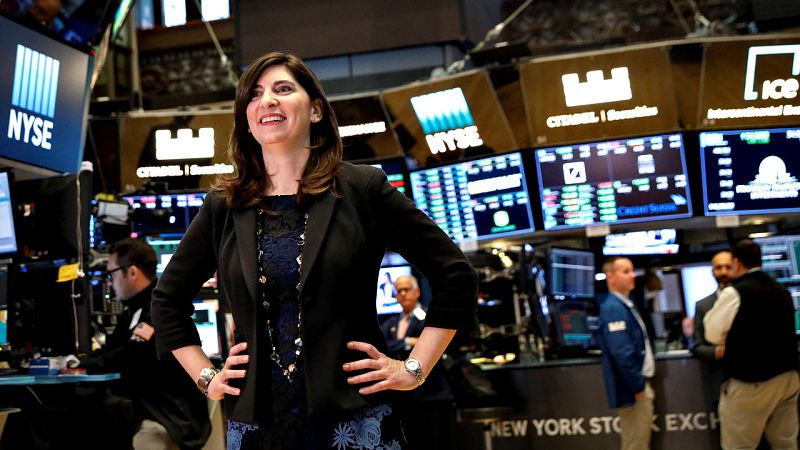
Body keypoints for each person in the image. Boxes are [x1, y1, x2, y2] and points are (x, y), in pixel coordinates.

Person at [151, 51, 478, 450]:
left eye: (283, 89)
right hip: (259, 428)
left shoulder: (362, 189)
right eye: (253, 94)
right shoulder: (224, 205)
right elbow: (167, 300)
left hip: (355, 422)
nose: (267, 100)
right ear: (246, 120)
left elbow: (456, 275)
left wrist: (415, 367)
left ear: (317, 110)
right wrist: (207, 377)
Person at [79, 238, 210, 450]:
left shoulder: (157, 310)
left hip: (171, 412)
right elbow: (112, 352)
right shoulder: (131, 311)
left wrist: (82, 364)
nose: (109, 282)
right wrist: (81, 362)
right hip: (146, 403)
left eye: (111, 274)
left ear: (131, 272)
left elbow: (129, 356)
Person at [704, 239, 799, 450]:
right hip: (788, 378)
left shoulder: (735, 292)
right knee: (785, 443)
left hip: (752, 380)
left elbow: (712, 333)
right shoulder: (781, 290)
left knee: (739, 445)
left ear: (736, 262)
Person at [380, 275, 454, 450]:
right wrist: (407, 342)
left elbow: (433, 345)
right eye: (398, 291)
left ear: (417, 291)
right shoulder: (391, 322)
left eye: (406, 289)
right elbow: (383, 346)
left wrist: (408, 344)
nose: (403, 293)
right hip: (403, 398)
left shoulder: (430, 319)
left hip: (430, 394)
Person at [597, 256, 655, 450]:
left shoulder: (625, 304)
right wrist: (637, 386)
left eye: (632, 270)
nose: (632, 275)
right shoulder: (613, 308)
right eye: (626, 271)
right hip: (632, 390)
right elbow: (622, 352)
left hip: (635, 386)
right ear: (610, 277)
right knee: (635, 445)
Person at [691, 251, 732, 406]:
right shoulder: (703, 305)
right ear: (712, 271)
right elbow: (696, 346)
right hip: (720, 382)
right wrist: (718, 351)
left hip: (755, 381)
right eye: (719, 268)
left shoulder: (748, 298)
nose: (724, 272)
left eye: (728, 267)